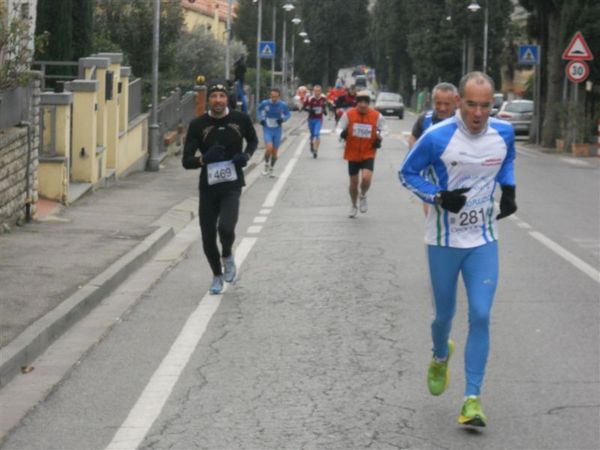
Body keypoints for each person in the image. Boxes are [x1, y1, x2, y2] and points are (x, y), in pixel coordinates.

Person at [398, 72, 517, 427]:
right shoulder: (437, 137)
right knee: (443, 317)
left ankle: (472, 400)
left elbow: (506, 160)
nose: (479, 113)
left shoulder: (504, 133)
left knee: (480, 315)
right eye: (471, 104)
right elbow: (407, 174)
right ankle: (439, 354)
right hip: (444, 240)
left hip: (483, 239)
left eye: (486, 105)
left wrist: (508, 189)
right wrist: (437, 196)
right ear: (460, 103)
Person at [182, 82, 258, 295]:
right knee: (207, 236)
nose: (217, 100)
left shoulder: (240, 119)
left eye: (221, 96)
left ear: (227, 99)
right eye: (214, 96)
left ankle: (227, 255)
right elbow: (186, 160)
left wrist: (246, 156)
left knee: (226, 228)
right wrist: (203, 160)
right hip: (208, 187)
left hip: (232, 185)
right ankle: (216, 275)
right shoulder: (198, 124)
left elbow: (253, 140)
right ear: (208, 100)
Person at [408, 82, 459, 215]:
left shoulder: (463, 121)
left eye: (447, 104)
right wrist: (418, 156)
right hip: (431, 177)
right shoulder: (425, 119)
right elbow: (413, 137)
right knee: (431, 214)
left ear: (455, 102)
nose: (442, 108)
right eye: (438, 103)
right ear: (433, 102)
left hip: (456, 176)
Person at [337, 90, 386, 218]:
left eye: (365, 102)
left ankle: (363, 195)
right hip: (352, 152)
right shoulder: (349, 114)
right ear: (357, 103)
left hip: (368, 152)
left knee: (366, 178)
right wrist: (342, 134)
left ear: (368, 103)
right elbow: (339, 127)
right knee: (353, 183)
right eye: (360, 102)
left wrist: (379, 137)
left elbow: (384, 129)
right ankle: (353, 205)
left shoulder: (376, 115)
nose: (363, 105)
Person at [257, 87, 291, 177]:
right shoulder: (265, 103)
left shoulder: (282, 105)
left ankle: (272, 169)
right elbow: (258, 110)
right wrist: (261, 119)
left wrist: (283, 119)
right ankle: (266, 165)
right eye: (272, 96)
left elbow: (288, 114)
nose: (274, 99)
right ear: (270, 96)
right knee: (269, 148)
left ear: (279, 97)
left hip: (277, 130)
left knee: (275, 152)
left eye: (276, 97)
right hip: (267, 128)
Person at [303, 85, 328, 158]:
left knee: (317, 134)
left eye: (318, 91)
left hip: (319, 119)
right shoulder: (310, 98)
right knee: (312, 134)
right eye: (315, 91)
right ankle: (311, 144)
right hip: (311, 119)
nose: (317, 92)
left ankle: (316, 150)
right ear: (313, 91)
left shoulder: (323, 98)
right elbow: (304, 107)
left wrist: (324, 111)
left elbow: (324, 105)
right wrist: (310, 110)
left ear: (321, 91)